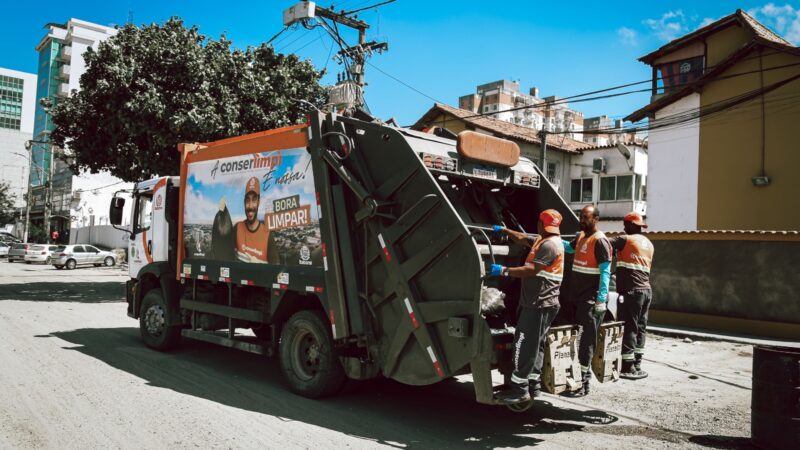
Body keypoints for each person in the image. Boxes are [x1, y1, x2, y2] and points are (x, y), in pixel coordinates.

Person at [488, 209, 565, 404]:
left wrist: (504, 270)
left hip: (538, 303)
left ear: (540, 224)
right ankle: (533, 384)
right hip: (542, 303)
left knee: (522, 343)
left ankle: (519, 389)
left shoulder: (549, 245)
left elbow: (531, 270)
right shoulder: (544, 239)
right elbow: (523, 238)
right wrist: (506, 230)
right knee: (536, 344)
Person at [562, 205, 612, 396]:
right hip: (577, 298)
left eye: (586, 217)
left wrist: (601, 300)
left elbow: (605, 272)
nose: (581, 220)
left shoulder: (600, 241)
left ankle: (584, 384)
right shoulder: (581, 236)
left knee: (586, 342)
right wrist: (551, 241)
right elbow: (568, 249)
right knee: (580, 340)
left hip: (590, 302)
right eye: (580, 216)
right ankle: (579, 379)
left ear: (596, 219)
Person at [610, 212, 654, 379]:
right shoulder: (649, 244)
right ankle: (637, 363)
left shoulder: (625, 239)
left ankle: (627, 367)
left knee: (629, 327)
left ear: (631, 225)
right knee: (640, 328)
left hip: (632, 291)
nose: (623, 227)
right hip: (646, 291)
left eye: (625, 224)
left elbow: (602, 243)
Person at [235, 177, 270, 263]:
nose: (250, 206)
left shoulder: (267, 234)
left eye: (254, 200)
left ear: (259, 202)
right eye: (247, 201)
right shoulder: (237, 228)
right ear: (244, 203)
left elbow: (278, 273)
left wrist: (259, 266)